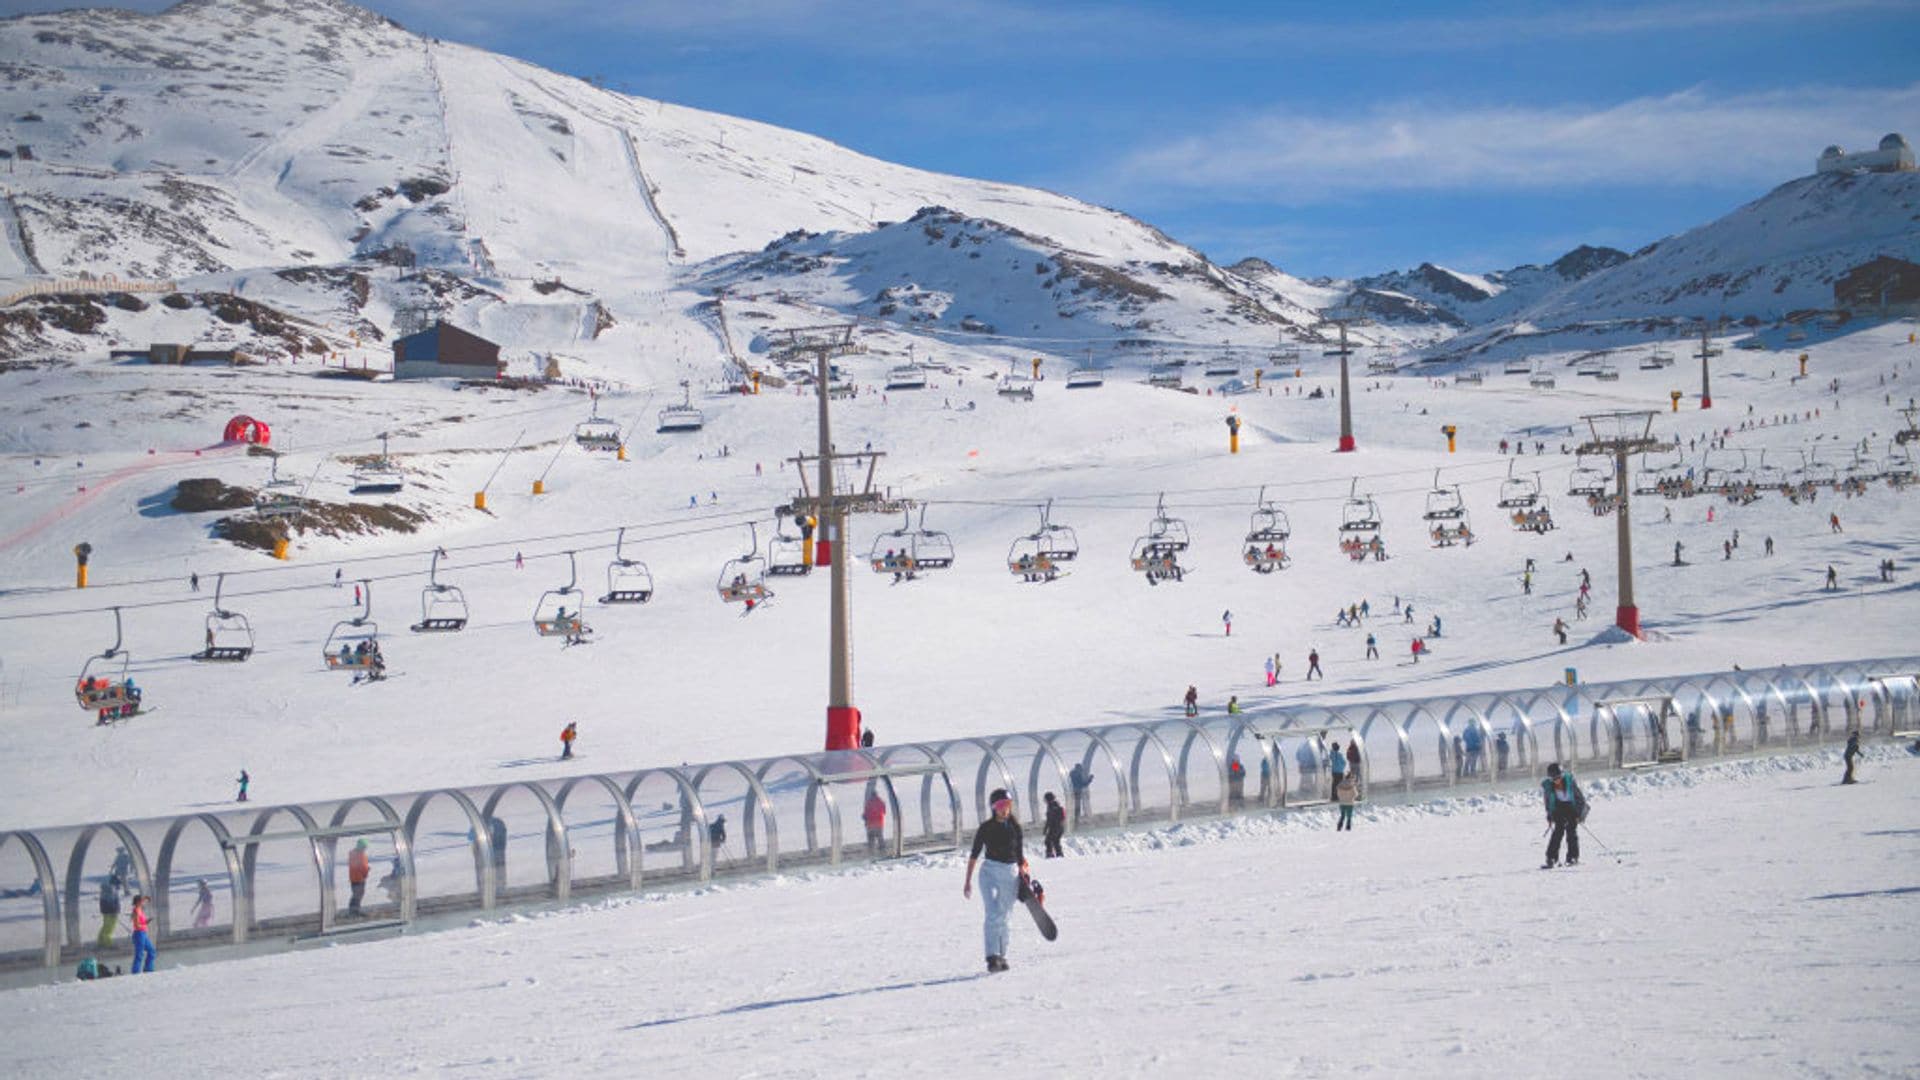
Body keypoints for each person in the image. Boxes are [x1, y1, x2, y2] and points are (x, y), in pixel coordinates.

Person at [962, 789, 1029, 973]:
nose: (1004, 809)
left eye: (1007, 805)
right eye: (1000, 806)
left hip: (1010, 872)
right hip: (989, 872)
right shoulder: (986, 828)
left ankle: (1002, 954)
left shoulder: (1015, 827)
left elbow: (1020, 857)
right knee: (992, 912)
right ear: (993, 807)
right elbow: (974, 855)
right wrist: (967, 881)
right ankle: (992, 957)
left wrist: (1025, 877)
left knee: (1005, 915)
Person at [1540, 763, 1587, 868]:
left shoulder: (1570, 783)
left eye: (1558, 777)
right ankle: (1551, 858)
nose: (1556, 780)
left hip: (1571, 808)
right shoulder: (1549, 786)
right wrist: (1549, 814)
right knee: (1558, 831)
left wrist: (1579, 814)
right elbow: (1548, 802)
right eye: (1553, 778)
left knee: (1571, 831)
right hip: (1558, 808)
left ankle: (1572, 857)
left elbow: (1580, 799)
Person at [129, 894, 155, 974]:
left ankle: (148, 969)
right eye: (141, 901)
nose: (142, 903)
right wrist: (144, 924)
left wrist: (147, 921)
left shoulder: (139, 908)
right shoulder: (136, 911)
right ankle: (135, 972)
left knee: (151, 950)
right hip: (138, 934)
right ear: (137, 902)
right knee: (139, 954)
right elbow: (137, 925)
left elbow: (143, 899)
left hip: (143, 934)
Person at [346, 839, 371, 916]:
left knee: (355, 894)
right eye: (365, 847)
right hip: (360, 878)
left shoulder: (352, 854)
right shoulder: (361, 855)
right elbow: (363, 867)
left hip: (353, 878)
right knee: (359, 894)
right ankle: (355, 911)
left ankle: (353, 910)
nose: (365, 849)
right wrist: (367, 871)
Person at [863, 786, 888, 854]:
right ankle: (882, 851)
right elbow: (884, 812)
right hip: (879, 823)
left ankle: (871, 852)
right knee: (880, 838)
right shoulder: (881, 802)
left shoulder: (869, 803)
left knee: (871, 839)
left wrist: (865, 818)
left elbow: (866, 814)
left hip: (870, 824)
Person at [96, 877, 119, 948]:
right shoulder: (111, 891)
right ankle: (108, 943)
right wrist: (114, 912)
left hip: (107, 912)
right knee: (109, 928)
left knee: (105, 926)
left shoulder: (106, 891)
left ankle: (101, 941)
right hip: (111, 913)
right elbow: (112, 903)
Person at [1042, 792, 1065, 858]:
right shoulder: (1056, 805)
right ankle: (1059, 854)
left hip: (1054, 827)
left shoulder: (1051, 806)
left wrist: (1045, 829)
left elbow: (1049, 819)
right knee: (1056, 842)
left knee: (1048, 841)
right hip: (1060, 827)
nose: (1045, 801)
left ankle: (1050, 854)